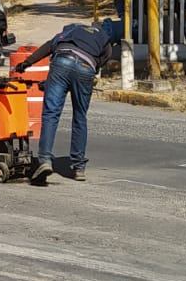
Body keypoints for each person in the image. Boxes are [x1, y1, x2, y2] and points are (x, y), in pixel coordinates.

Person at [14, 21, 119, 185]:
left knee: (51, 114)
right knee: (80, 116)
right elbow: (100, 62)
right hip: (86, 66)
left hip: (62, 61)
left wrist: (26, 64)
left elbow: (49, 46)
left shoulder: (71, 31)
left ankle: (45, 160)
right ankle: (78, 168)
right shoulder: (104, 39)